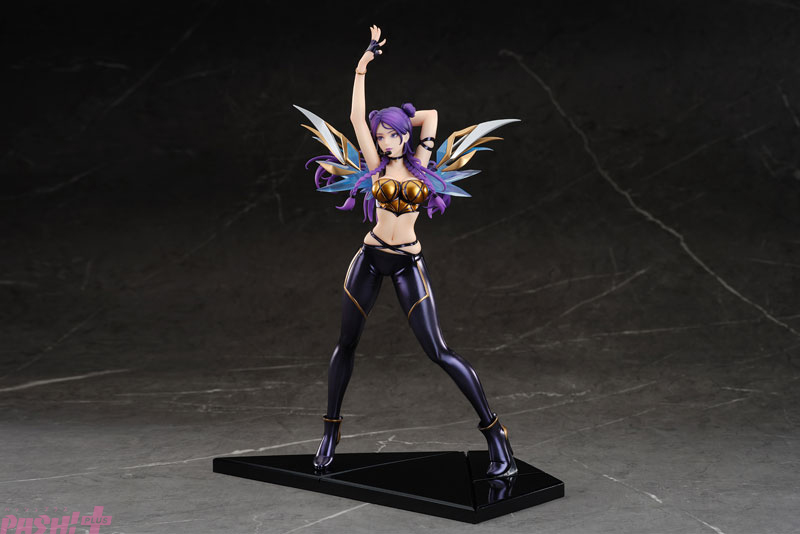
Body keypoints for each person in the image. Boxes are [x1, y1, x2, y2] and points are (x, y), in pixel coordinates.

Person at [298, 25, 518, 478]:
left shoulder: (424, 161)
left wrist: (400, 116)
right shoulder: (374, 165)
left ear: (402, 135)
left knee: (439, 350)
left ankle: (495, 433)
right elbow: (355, 117)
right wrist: (362, 67)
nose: (383, 142)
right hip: (370, 258)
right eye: (380, 136)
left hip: (406, 264)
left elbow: (431, 114)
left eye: (390, 135)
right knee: (346, 344)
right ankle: (330, 431)